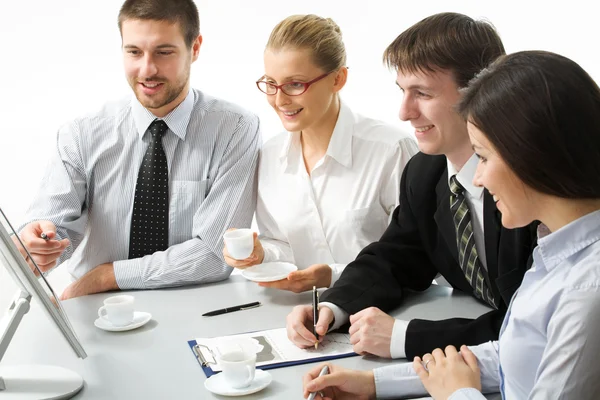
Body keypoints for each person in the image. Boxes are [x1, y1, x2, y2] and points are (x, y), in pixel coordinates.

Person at [303, 50, 600, 399]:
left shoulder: (585, 291)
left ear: (532, 154)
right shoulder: (556, 246)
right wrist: (375, 384)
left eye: (485, 157)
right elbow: (515, 352)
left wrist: (457, 394)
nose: (478, 178)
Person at [287, 12, 538, 361]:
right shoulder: (425, 171)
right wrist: (333, 307)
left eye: (422, 93)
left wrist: (406, 337)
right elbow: (395, 257)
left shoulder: (531, 183)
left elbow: (533, 323)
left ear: (480, 93)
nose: (404, 112)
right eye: (403, 91)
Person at [13, 0, 260, 299]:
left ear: (195, 48)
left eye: (164, 52)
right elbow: (54, 226)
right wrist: (41, 242)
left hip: (193, 304)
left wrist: (107, 276)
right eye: (134, 52)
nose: (147, 69)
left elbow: (215, 253)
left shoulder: (235, 129)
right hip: (99, 310)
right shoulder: (81, 134)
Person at [222, 14, 417, 293]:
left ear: (338, 79)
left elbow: (413, 258)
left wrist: (331, 276)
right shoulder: (270, 156)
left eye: (295, 84)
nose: (279, 100)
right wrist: (261, 254)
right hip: (298, 316)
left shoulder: (391, 151)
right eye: (271, 83)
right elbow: (283, 244)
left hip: (385, 312)